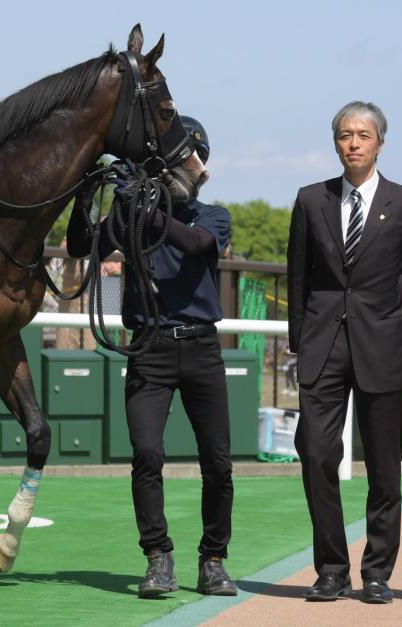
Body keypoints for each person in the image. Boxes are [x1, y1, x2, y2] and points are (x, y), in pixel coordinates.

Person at [66, 116, 237, 598]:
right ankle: (157, 556)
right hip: (149, 349)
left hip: (202, 347)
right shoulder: (130, 216)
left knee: (217, 462)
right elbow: (80, 246)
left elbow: (199, 246)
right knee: (146, 454)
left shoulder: (211, 216)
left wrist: (144, 209)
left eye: (192, 157)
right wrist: (86, 196)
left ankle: (213, 559)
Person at [286, 101, 402, 604]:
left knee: (383, 465)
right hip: (322, 348)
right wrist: (299, 348)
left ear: (380, 143)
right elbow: (298, 279)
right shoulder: (311, 201)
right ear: (336, 142)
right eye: (345, 135)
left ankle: (377, 571)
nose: (354, 143)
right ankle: (331, 568)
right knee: (315, 454)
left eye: (363, 135)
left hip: (384, 348)